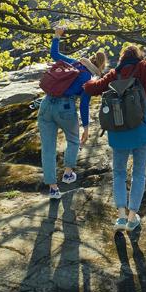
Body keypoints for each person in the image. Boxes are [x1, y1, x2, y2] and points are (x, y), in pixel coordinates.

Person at [83, 24, 146, 232]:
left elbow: (90, 88)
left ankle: (120, 217)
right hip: (142, 130)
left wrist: (95, 74)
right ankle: (132, 218)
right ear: (138, 56)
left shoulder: (113, 75)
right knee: (139, 174)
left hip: (118, 133)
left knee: (118, 173)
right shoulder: (145, 68)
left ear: (121, 59)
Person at [38, 26, 107, 200]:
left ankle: (53, 189)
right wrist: (85, 126)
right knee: (73, 140)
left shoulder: (75, 62)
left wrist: (57, 35)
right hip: (66, 108)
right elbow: (84, 104)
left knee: (47, 148)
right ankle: (68, 173)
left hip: (46, 104)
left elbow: (54, 55)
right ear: (100, 67)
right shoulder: (89, 79)